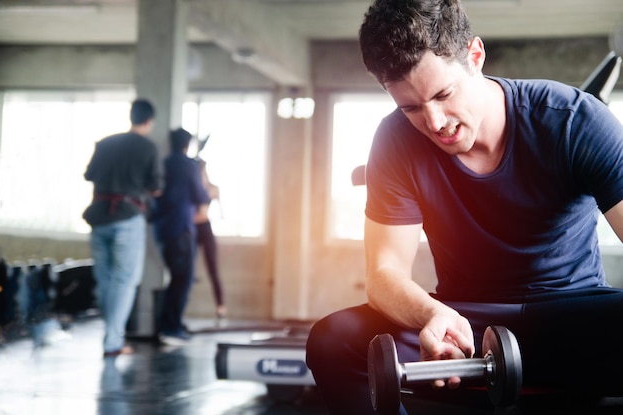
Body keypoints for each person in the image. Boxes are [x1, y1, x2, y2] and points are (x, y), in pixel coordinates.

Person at [305, 0, 623, 414]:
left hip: (571, 315)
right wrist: (431, 315)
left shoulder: (574, 120)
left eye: (443, 94)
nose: (435, 122)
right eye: (411, 107)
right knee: (333, 340)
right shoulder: (395, 141)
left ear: (475, 55)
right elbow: (383, 274)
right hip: (464, 323)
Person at [83, 98, 160, 358]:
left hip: (99, 217)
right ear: (149, 121)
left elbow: (89, 175)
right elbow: (156, 187)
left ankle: (111, 337)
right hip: (128, 217)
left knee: (105, 281)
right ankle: (112, 342)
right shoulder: (148, 148)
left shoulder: (106, 143)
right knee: (124, 282)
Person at [153, 128, 210, 346]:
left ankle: (171, 324)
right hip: (181, 230)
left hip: (163, 230)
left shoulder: (164, 163)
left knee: (176, 279)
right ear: (187, 145)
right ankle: (171, 327)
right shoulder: (188, 166)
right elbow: (201, 195)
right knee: (182, 280)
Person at [194, 158, 227, 319]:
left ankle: (221, 306)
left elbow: (220, 214)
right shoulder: (192, 187)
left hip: (205, 228)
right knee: (186, 269)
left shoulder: (212, 188)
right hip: (192, 228)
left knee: (213, 269)